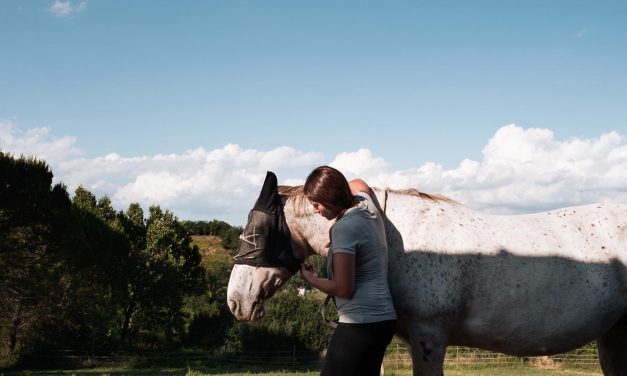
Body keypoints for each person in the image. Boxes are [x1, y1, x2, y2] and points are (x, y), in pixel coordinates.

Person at [299, 165, 397, 376]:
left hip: (360, 324)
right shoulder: (365, 205)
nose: (314, 210)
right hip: (383, 321)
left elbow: (344, 289)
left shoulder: (346, 227)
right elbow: (360, 183)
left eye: (317, 204)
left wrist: (312, 279)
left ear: (331, 199)